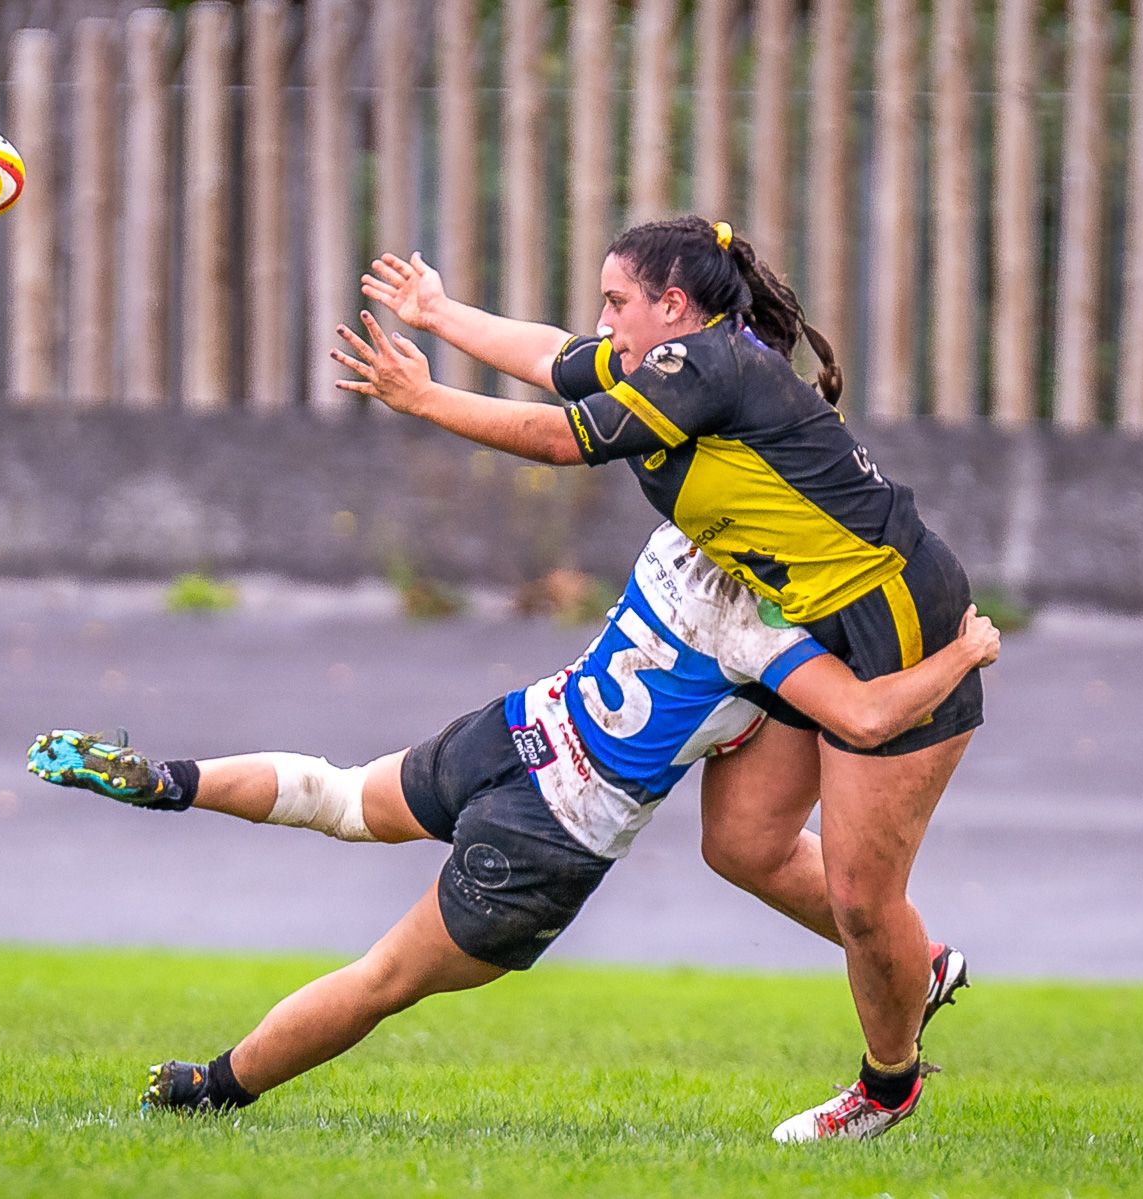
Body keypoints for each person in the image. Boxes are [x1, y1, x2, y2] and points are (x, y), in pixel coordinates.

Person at [338, 216, 985, 1140]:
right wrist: (438, 312)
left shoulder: (710, 368)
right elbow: (555, 360)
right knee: (744, 844)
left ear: (673, 308)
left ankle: (889, 1085)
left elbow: (567, 439)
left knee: (859, 896)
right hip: (809, 615)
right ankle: (912, 969)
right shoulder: (670, 363)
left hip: (902, 623)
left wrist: (428, 400)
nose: (603, 323)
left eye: (617, 302)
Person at [26, 521, 999, 1119]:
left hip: (514, 730)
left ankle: (165, 777)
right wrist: (964, 652)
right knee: (380, 980)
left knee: (334, 794)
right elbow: (868, 715)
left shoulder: (670, 542)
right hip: (549, 838)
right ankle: (212, 1087)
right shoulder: (764, 629)